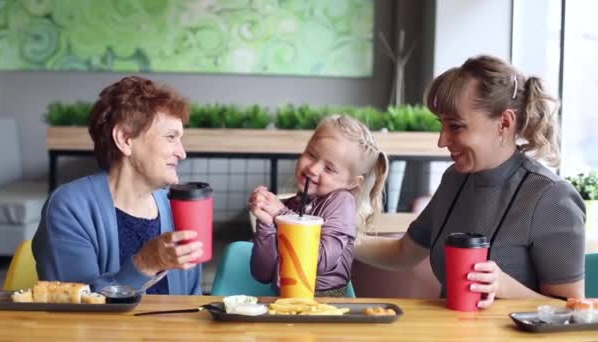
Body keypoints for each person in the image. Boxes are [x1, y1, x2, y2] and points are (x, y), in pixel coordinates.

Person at [355, 55, 586, 308]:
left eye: (456, 126)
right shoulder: (455, 179)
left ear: (504, 123)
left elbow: (570, 309)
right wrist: (336, 239)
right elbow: (404, 252)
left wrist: (505, 287)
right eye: (441, 125)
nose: (442, 141)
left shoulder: (552, 198)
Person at [32, 76, 203, 295]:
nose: (182, 152)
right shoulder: (70, 207)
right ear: (125, 139)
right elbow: (74, 305)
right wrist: (144, 264)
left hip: (170, 329)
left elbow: (191, 300)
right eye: (171, 137)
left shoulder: (177, 206)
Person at [249, 114, 389, 297]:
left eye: (329, 168)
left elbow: (321, 260)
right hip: (285, 300)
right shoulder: (293, 205)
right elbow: (263, 273)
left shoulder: (341, 202)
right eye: (311, 155)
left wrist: (281, 215)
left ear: (352, 182)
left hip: (327, 305)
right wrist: (266, 226)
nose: (313, 169)